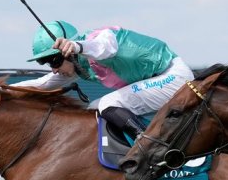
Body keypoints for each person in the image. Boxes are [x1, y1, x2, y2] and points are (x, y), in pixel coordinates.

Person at [13, 20, 193, 142]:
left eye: (55, 61)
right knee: (91, 110)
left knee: (108, 103)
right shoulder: (77, 63)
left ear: (70, 52)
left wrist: (77, 47)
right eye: (46, 63)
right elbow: (41, 84)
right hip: (161, 80)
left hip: (174, 77)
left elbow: (104, 48)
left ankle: (149, 147)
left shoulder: (101, 39)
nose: (53, 68)